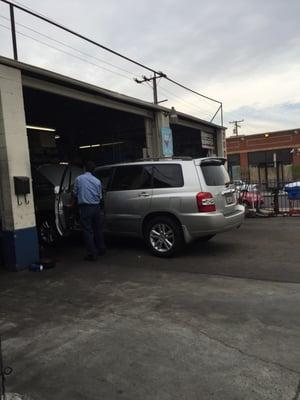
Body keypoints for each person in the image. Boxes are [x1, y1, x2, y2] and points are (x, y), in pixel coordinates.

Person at [73, 161, 106, 261]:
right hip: (96, 207)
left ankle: (92, 254)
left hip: (85, 208)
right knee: (98, 229)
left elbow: (75, 193)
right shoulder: (97, 181)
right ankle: (101, 249)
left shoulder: (79, 179)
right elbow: (100, 197)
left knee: (88, 230)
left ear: (84, 168)